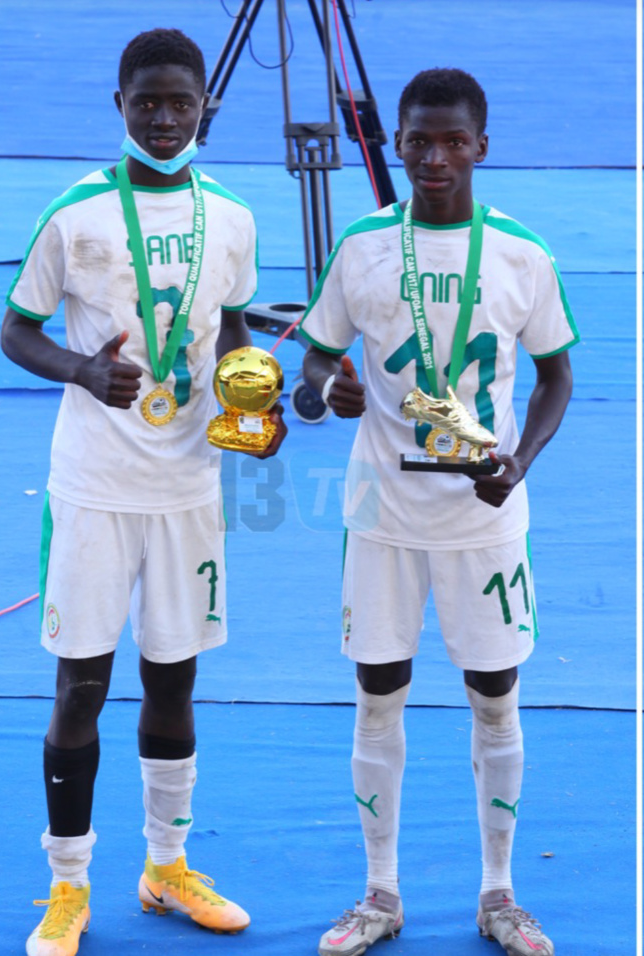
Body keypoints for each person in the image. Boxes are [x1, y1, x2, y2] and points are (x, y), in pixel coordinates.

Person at [1, 27, 286, 956]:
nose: (164, 118)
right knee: (80, 686)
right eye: (145, 102)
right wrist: (82, 370)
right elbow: (16, 332)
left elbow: (233, 326)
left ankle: (166, 868)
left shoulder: (233, 217)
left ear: (206, 105)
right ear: (117, 106)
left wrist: (254, 396)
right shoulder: (76, 214)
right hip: (93, 489)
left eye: (180, 102)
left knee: (174, 680)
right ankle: (68, 885)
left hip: (189, 488)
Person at [300, 68, 577, 956]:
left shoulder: (521, 256)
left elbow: (556, 376)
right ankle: (379, 893)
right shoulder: (362, 248)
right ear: (397, 145)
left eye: (453, 140)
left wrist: (521, 461)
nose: (434, 157)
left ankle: (499, 895)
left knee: (494, 698)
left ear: (481, 147)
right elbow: (313, 365)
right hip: (381, 511)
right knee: (377, 696)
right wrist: (325, 392)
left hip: (483, 518)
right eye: (416, 140)